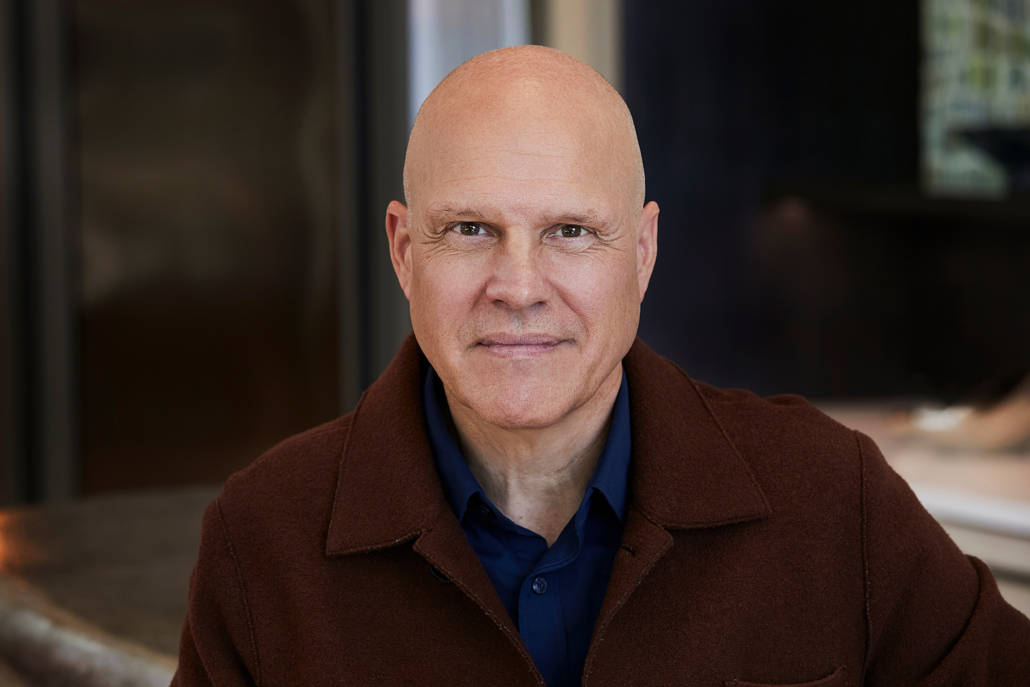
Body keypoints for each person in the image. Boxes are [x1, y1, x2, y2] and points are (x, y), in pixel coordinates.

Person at [171, 46, 1030, 687]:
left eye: (570, 232)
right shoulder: (263, 540)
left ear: (642, 252)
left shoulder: (834, 497)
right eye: (470, 229)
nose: (518, 286)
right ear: (403, 250)